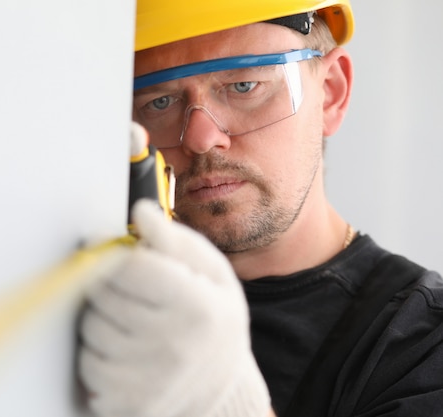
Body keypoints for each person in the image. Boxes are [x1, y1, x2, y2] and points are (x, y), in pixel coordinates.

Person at [78, 1, 443, 416]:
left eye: (244, 86)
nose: (200, 137)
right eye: (159, 102)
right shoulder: (87, 294)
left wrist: (225, 404)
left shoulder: (422, 347)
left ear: (330, 94)